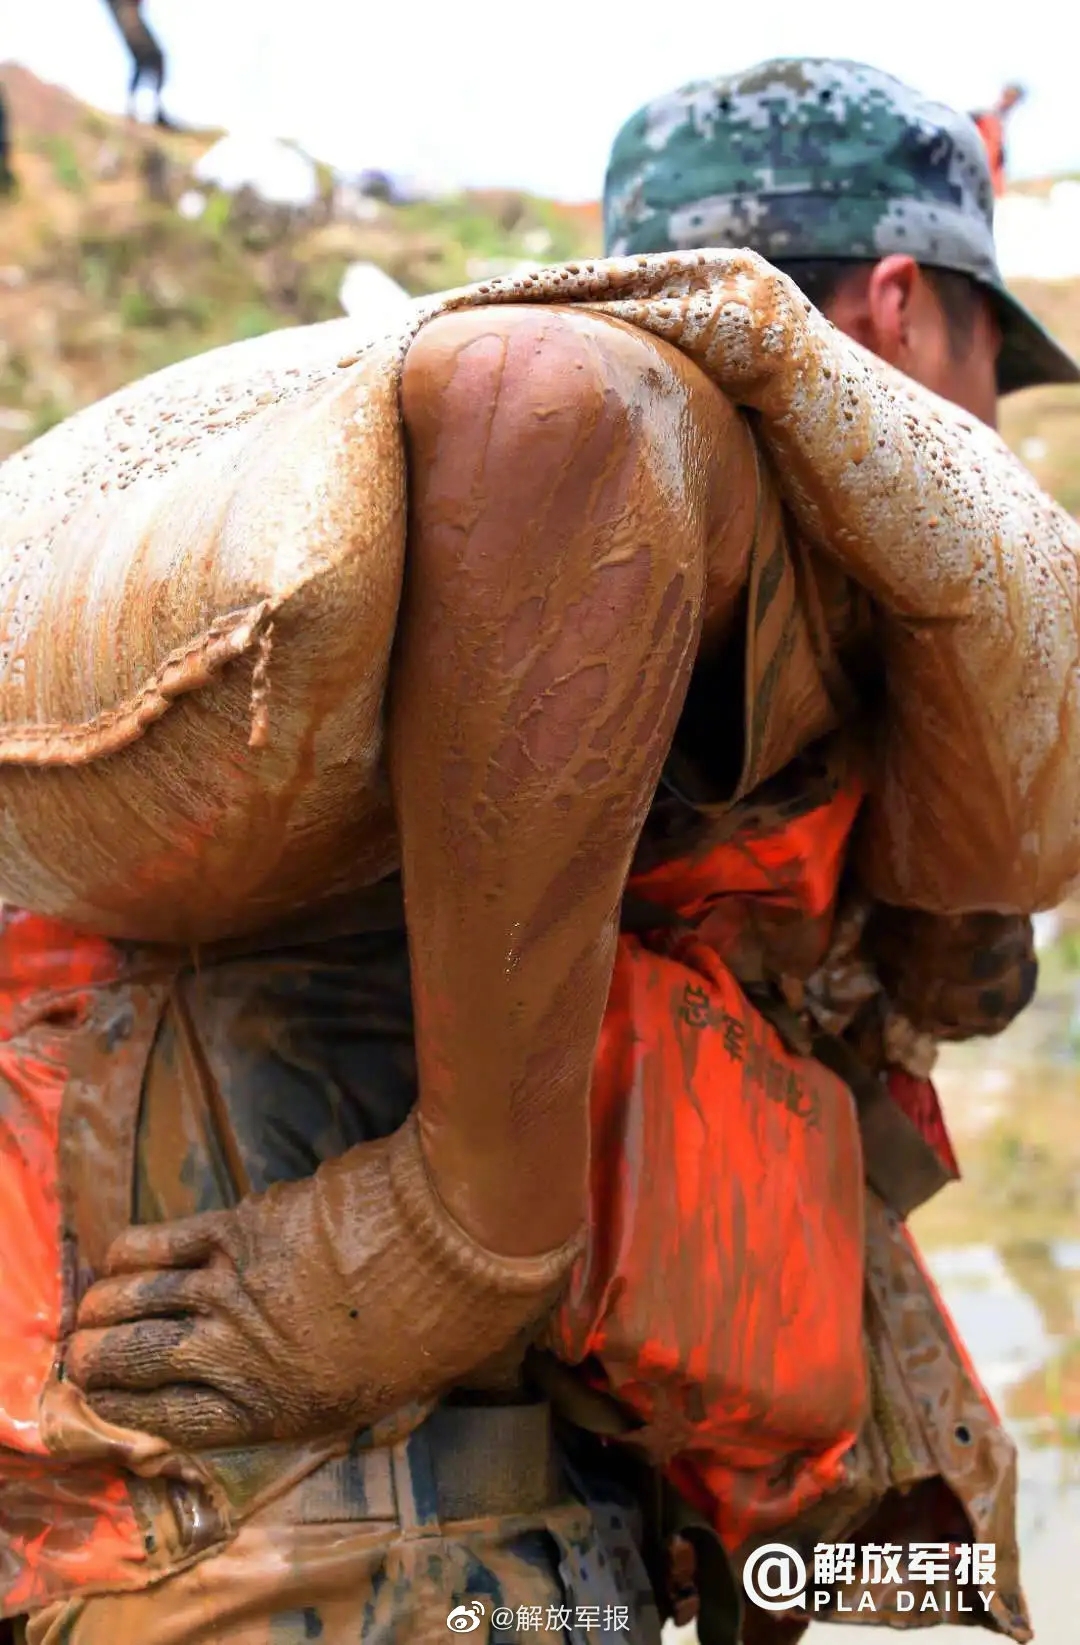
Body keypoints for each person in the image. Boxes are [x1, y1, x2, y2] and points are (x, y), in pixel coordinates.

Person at [1, 61, 1078, 1645]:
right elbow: (548, 412)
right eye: (996, 357)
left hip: (366, 1479)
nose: (984, 425)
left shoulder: (784, 617)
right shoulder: (695, 432)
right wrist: (460, 1230)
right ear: (905, 308)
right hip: (313, 1503)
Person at [971, 84, 1026, 197]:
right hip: (977, 181)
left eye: (1014, 99)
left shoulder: (1000, 122)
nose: (1011, 102)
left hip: (991, 186)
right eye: (1009, 96)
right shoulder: (985, 117)